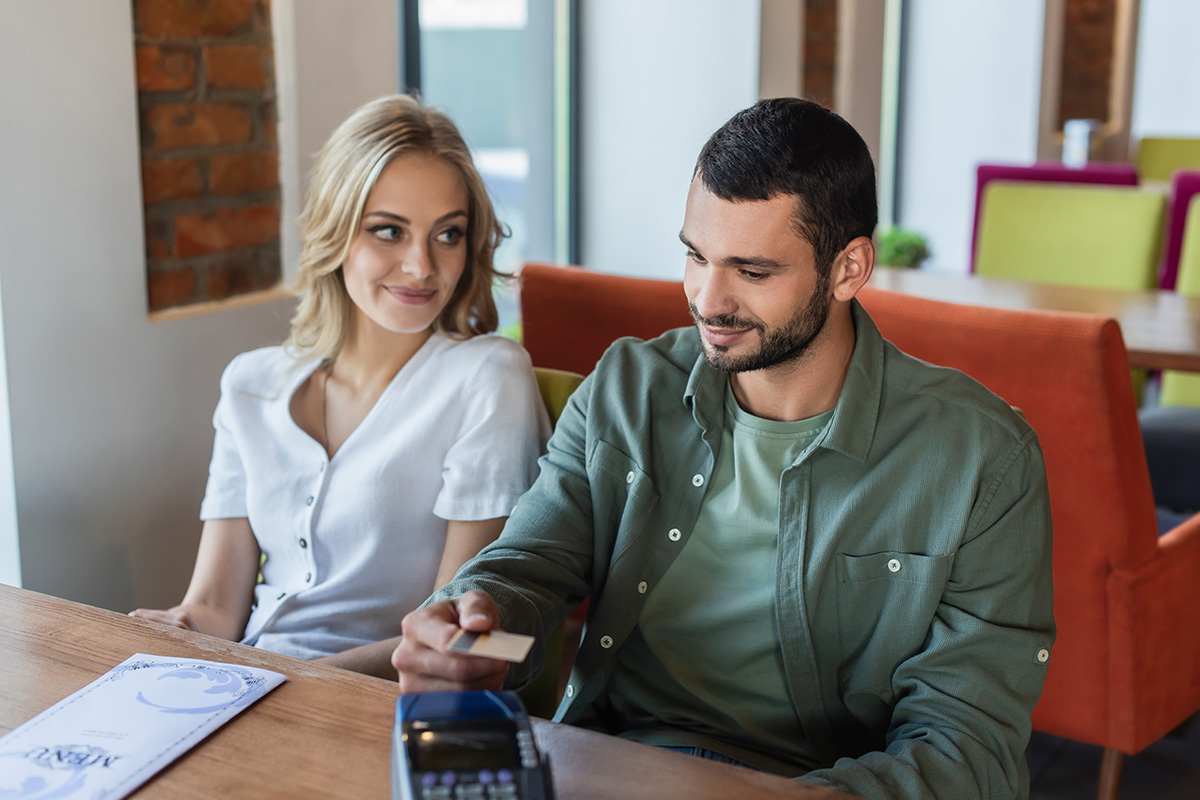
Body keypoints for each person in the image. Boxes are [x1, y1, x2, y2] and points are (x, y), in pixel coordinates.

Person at [391, 98, 1055, 799]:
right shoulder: (627, 388)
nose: (707, 299)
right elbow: (529, 565)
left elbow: (967, 746)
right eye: (695, 255)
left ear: (848, 269)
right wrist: (471, 616)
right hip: (614, 768)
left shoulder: (984, 459)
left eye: (753, 271)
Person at [132, 94, 550, 679]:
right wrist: (161, 631)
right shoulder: (250, 384)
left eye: (447, 235)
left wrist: (286, 683)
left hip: (377, 702)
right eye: (388, 231)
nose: (422, 266)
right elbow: (213, 610)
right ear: (336, 232)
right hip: (240, 684)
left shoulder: (488, 375)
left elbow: (457, 636)